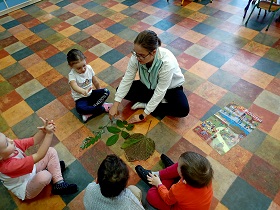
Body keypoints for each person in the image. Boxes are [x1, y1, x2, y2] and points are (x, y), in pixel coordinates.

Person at [109, 30, 190, 123]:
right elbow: (127, 79)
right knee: (120, 90)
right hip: (148, 86)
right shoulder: (137, 57)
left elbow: (161, 90)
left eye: (142, 55)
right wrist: (115, 105)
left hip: (170, 89)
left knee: (183, 109)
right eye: (135, 53)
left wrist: (143, 114)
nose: (137, 58)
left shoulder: (166, 62)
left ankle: (147, 104)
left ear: (153, 52)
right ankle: (156, 102)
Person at [0, 117, 78, 200]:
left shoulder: (13, 145)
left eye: (7, 137)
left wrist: (44, 130)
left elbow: (34, 140)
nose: (11, 141)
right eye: (7, 143)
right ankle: (52, 171)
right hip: (25, 186)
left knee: (50, 151)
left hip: (30, 172)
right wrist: (49, 134)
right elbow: (39, 155)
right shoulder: (8, 167)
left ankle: (58, 183)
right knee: (45, 176)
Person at [135, 152, 213, 210]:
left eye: (179, 166)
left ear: (184, 179)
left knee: (151, 195)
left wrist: (158, 184)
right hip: (184, 197)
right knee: (183, 166)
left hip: (174, 206)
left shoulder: (179, 189)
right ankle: (165, 174)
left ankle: (157, 177)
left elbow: (167, 200)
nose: (178, 164)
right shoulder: (204, 177)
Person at [67, 49, 113, 122]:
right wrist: (83, 91)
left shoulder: (89, 68)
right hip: (81, 98)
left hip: (91, 94)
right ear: (71, 66)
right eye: (79, 68)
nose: (83, 69)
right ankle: (102, 108)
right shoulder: (72, 75)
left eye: (84, 65)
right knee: (79, 109)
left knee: (106, 91)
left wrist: (99, 92)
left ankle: (90, 112)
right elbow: (74, 86)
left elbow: (95, 82)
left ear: (85, 60)